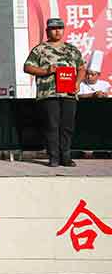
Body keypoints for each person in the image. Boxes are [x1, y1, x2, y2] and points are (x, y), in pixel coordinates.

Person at [24, 18, 85, 167]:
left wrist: (77, 83)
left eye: (59, 28)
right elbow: (27, 67)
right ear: (47, 31)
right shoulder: (40, 49)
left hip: (69, 93)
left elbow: (81, 68)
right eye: (53, 28)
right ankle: (54, 157)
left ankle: (66, 156)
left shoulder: (72, 49)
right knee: (51, 125)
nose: (57, 31)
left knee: (67, 126)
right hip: (49, 94)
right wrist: (46, 71)